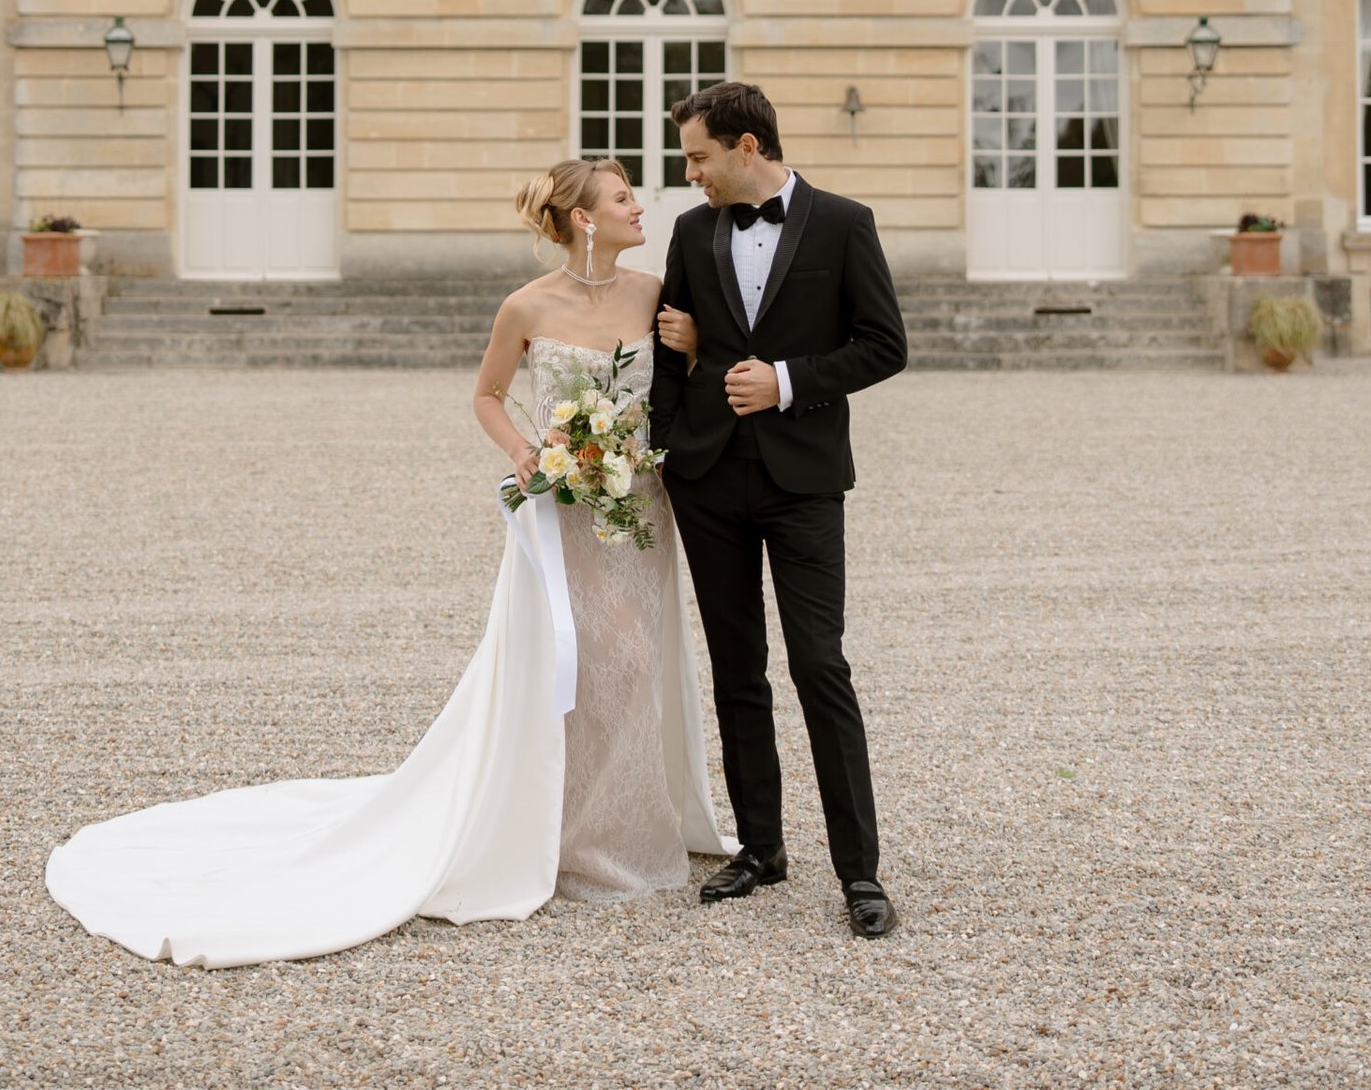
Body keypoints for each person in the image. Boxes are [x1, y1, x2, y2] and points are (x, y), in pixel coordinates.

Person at [44, 158, 733, 966]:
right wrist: (522, 450)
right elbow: (486, 395)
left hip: (636, 510)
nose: (638, 205)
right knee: (565, 664)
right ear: (584, 218)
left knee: (636, 658)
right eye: (623, 197)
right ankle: (554, 832)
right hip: (563, 515)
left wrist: (689, 347)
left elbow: (686, 385)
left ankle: (625, 825)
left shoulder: (655, 296)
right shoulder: (526, 305)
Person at [652, 80, 908, 940]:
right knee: (736, 669)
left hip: (804, 480)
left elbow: (884, 345)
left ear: (748, 148)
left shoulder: (844, 222)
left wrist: (788, 381)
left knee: (819, 666)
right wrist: (659, 453)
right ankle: (761, 848)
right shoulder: (691, 232)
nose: (690, 174)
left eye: (699, 157)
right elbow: (667, 348)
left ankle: (860, 872)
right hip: (707, 476)